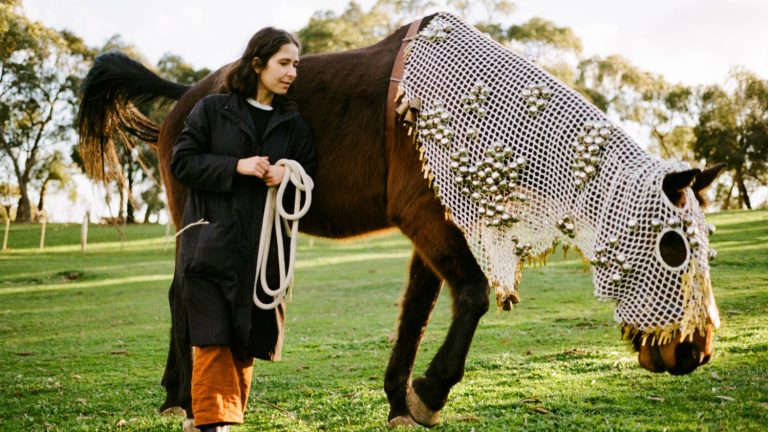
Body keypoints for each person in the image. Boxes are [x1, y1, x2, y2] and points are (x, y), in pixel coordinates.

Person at [170, 27, 316, 432]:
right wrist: (237, 166)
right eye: (283, 63)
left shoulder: (294, 127)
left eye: (296, 65)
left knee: (243, 340)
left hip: (263, 253)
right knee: (212, 336)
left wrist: (288, 171)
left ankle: (217, 419)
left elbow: (310, 179)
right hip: (211, 245)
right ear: (257, 64)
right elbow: (181, 162)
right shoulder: (212, 110)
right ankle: (215, 424)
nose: (292, 73)